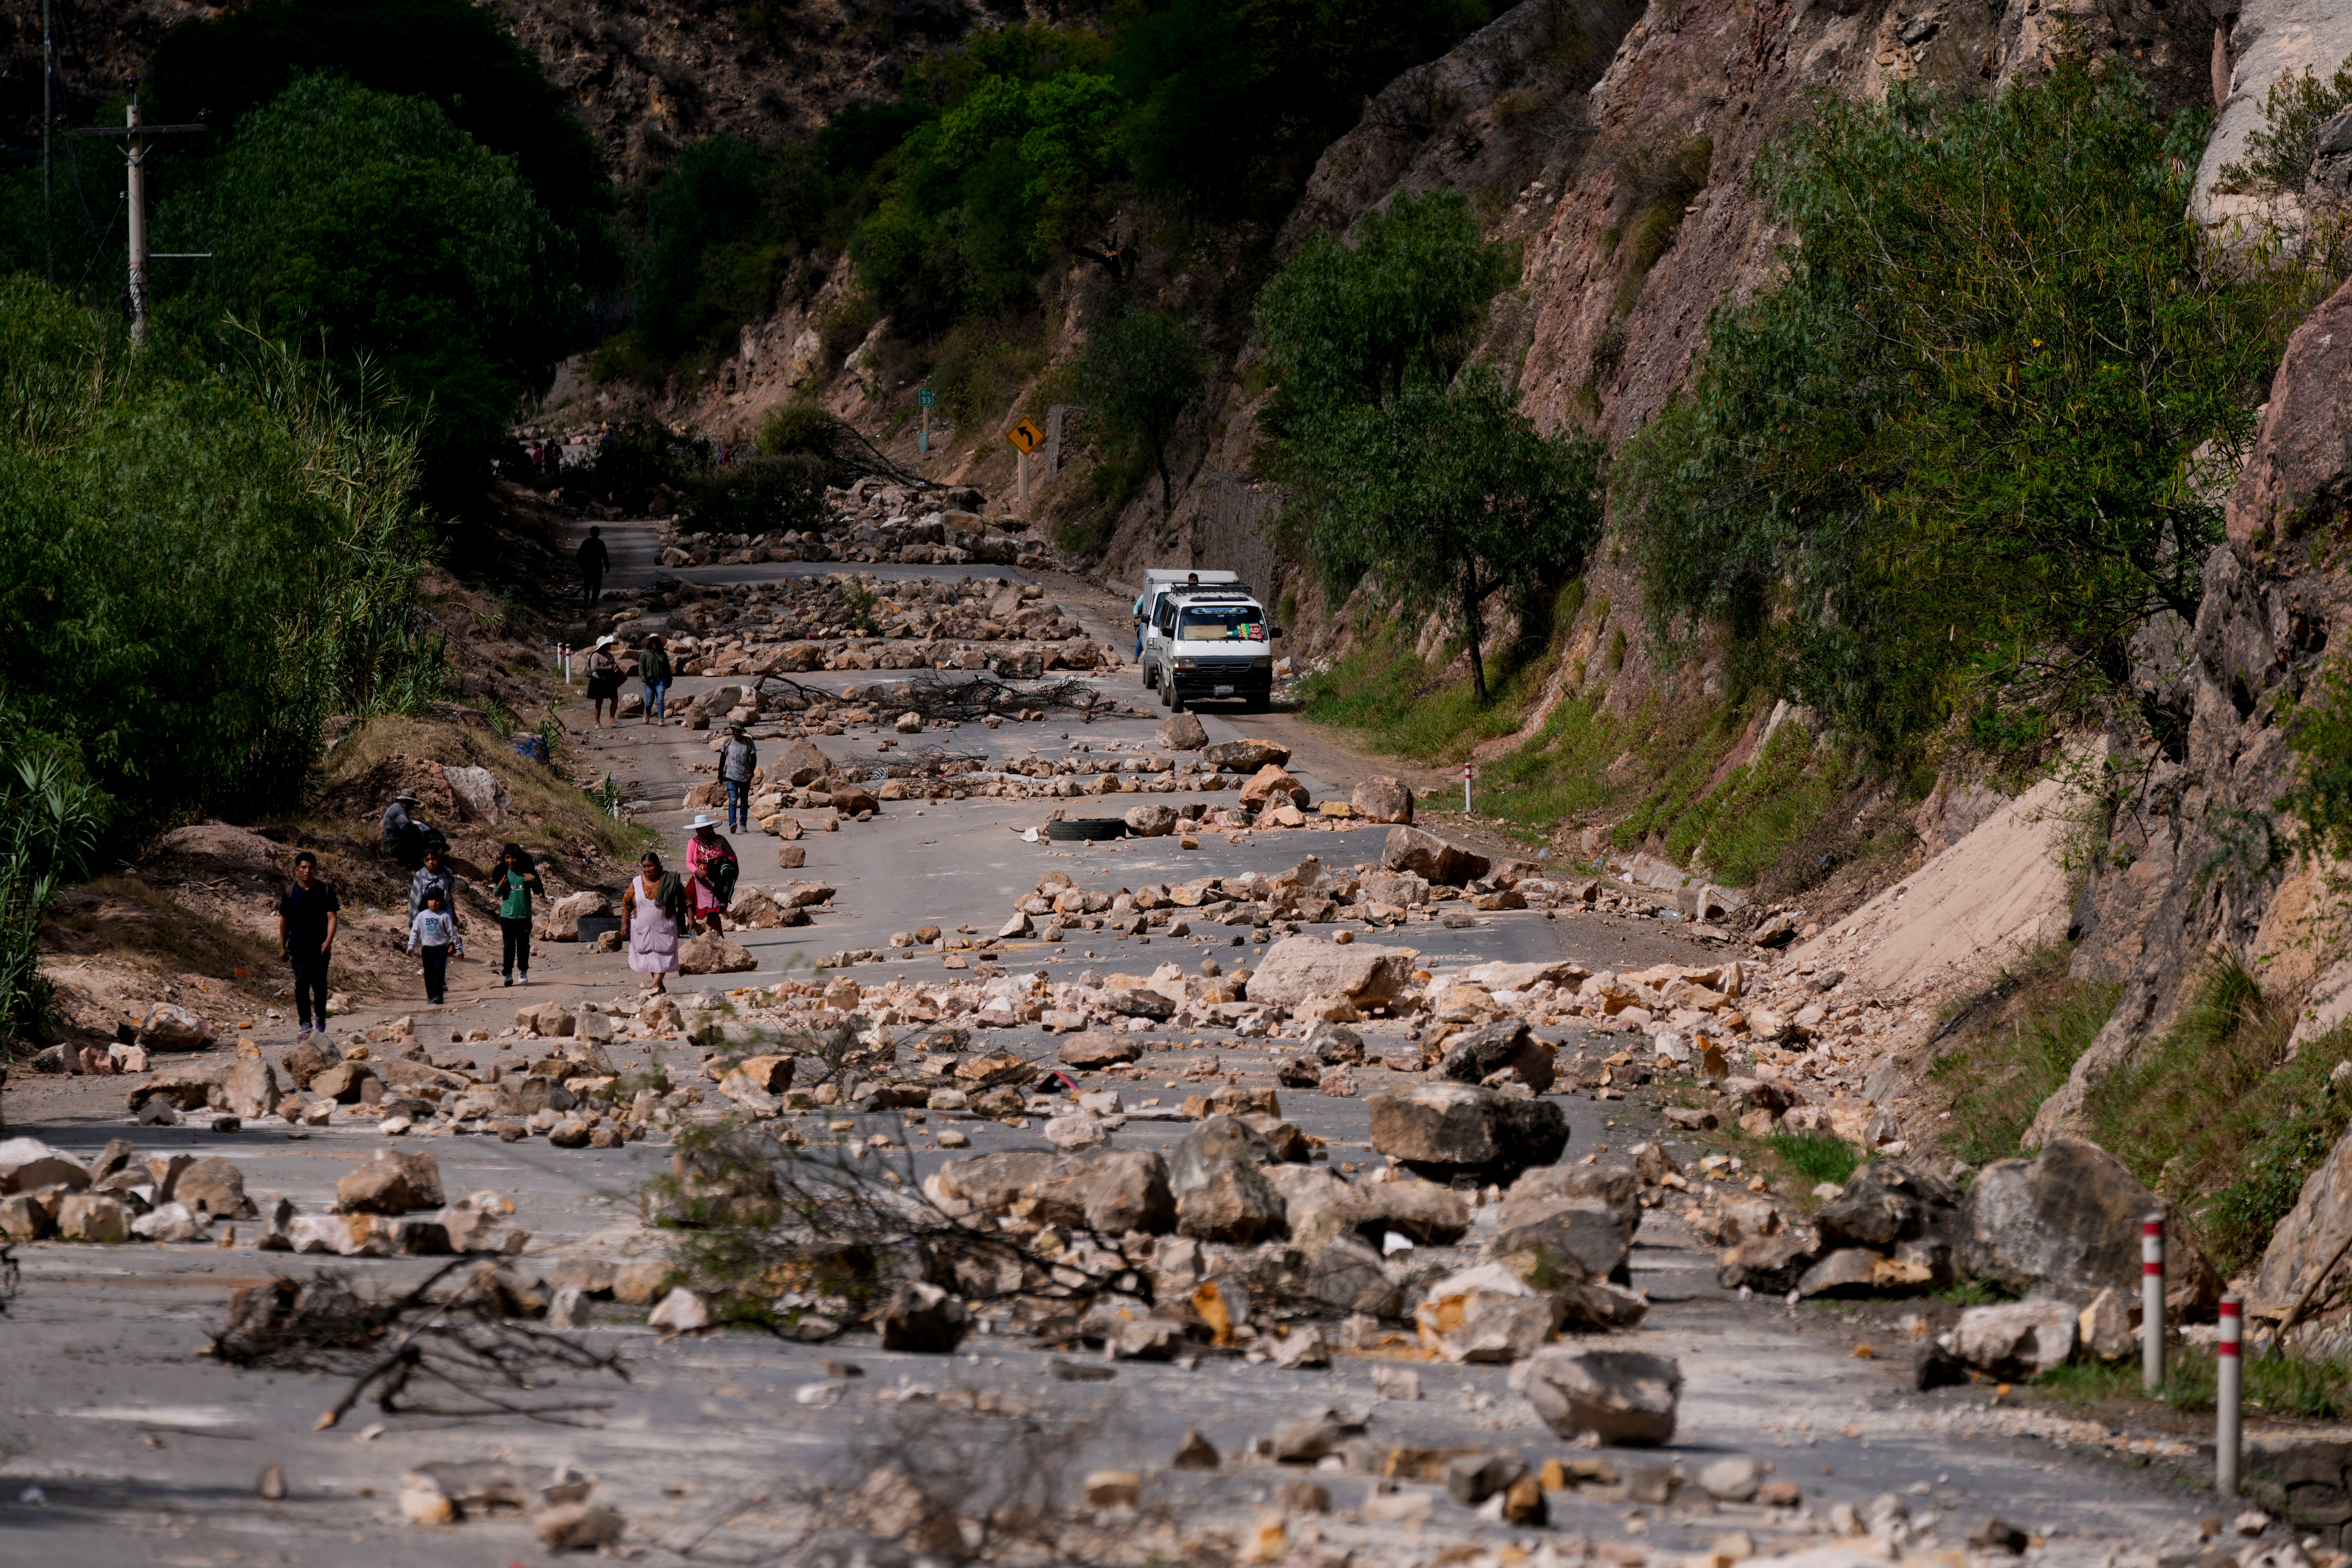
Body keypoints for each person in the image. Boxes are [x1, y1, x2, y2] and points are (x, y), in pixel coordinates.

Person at [277, 851, 341, 1044]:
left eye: (311, 867)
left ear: (316, 869)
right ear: (296, 870)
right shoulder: (290, 893)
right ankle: (305, 1022)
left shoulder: (326, 891)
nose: (307, 871)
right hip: (297, 946)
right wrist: (283, 947)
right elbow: (284, 921)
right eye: (303, 868)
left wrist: (329, 941)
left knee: (320, 985)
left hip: (320, 947)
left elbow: (332, 918)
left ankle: (320, 1018)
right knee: (302, 983)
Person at [620, 851, 686, 993]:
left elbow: (685, 899)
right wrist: (624, 925)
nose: (646, 870)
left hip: (665, 928)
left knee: (663, 957)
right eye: (644, 867)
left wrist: (690, 919)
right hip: (642, 930)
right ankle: (659, 987)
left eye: (650, 866)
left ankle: (656, 984)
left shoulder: (670, 880)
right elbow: (627, 904)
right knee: (650, 959)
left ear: (658, 866)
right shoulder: (636, 883)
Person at [492, 843, 544, 987]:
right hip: (507, 918)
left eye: (514, 858)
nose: (511, 861)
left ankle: (523, 972)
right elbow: (496, 894)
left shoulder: (526, 872)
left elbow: (539, 892)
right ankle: (508, 974)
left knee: (523, 946)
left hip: (524, 917)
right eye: (508, 858)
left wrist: (533, 880)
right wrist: (500, 886)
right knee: (509, 946)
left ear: (519, 858)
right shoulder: (504, 874)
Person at [408, 887, 463, 1004]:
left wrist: (459, 950)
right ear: (427, 901)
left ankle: (439, 996)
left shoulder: (444, 917)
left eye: (437, 900)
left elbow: (453, 934)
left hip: (442, 950)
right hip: (427, 950)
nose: (434, 902)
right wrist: (410, 947)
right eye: (432, 899)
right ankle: (431, 995)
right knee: (429, 973)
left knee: (439, 972)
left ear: (441, 902)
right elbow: (415, 932)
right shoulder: (422, 916)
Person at [685, 814, 738, 934]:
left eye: (703, 828)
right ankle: (721, 939)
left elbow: (732, 857)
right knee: (712, 911)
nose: (700, 832)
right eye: (698, 829)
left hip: (719, 882)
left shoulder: (720, 841)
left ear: (710, 828)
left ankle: (707, 938)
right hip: (702, 884)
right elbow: (689, 862)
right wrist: (697, 871)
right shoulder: (694, 843)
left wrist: (722, 861)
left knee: (714, 911)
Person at [409, 846, 461, 938]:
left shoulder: (447, 873)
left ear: (438, 859)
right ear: (424, 861)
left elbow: (449, 895)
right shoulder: (420, 875)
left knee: (445, 939)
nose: (431, 862)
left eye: (433, 859)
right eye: (428, 860)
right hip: (428, 911)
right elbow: (417, 897)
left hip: (445, 910)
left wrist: (454, 914)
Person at [719, 721, 758, 833]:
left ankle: (743, 824)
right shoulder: (728, 741)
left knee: (745, 802)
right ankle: (733, 823)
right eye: (732, 729)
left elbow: (754, 759)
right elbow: (722, 759)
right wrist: (720, 775)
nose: (733, 732)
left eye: (736, 730)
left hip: (745, 777)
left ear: (742, 731)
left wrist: (751, 772)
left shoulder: (749, 742)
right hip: (731, 776)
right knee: (733, 800)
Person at [381, 790, 426, 869]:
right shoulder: (398, 810)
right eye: (412, 804)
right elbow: (409, 830)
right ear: (406, 801)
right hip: (395, 846)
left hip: (393, 845)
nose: (412, 807)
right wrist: (421, 835)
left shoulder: (396, 808)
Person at [587, 634, 623, 728]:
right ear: (604, 646)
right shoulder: (596, 655)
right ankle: (597, 723)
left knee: (615, 699)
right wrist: (608, 668)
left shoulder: (610, 655)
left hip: (610, 681)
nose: (611, 646)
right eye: (609, 645)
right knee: (599, 702)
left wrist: (614, 667)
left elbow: (613, 664)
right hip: (599, 681)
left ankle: (612, 718)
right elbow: (594, 667)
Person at [639, 633, 673, 725]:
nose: (655, 644)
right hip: (649, 682)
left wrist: (670, 680)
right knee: (650, 701)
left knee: (660, 700)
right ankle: (647, 714)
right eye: (653, 642)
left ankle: (661, 719)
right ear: (650, 644)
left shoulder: (664, 655)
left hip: (661, 681)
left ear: (659, 644)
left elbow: (668, 669)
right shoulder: (645, 654)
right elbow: (641, 667)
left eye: (657, 642)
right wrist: (643, 677)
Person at [578, 525, 610, 604]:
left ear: (591, 533)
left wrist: (581, 565)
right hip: (597, 567)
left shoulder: (586, 542)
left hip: (588, 566)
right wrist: (607, 566)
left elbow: (579, 555)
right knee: (597, 584)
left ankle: (587, 594)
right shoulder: (601, 544)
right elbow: (605, 556)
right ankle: (594, 600)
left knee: (588, 582)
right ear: (599, 534)